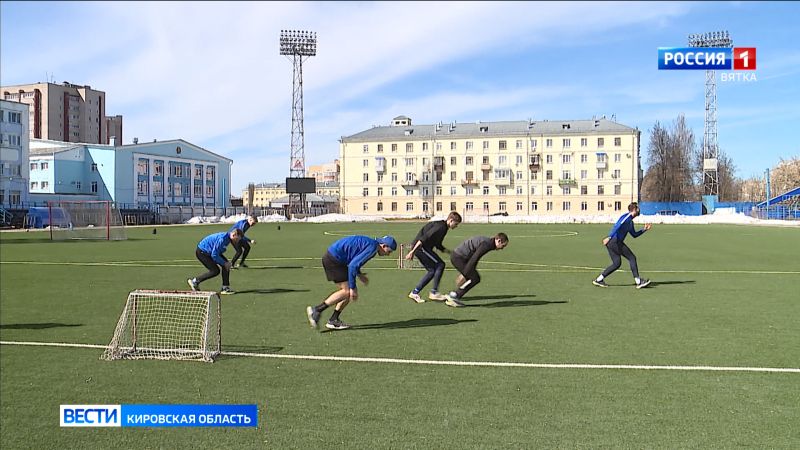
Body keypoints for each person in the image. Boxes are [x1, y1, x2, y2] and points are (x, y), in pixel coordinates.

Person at [306, 235, 397, 331]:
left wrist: (360, 275)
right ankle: (316, 310)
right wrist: (352, 288)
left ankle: (333, 319)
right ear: (383, 246)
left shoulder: (371, 244)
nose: (389, 254)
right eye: (389, 251)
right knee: (347, 291)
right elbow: (353, 266)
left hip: (336, 259)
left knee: (348, 291)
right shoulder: (372, 248)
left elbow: (353, 259)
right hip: (334, 260)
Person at [404, 211, 462, 303]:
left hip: (424, 248)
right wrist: (412, 252)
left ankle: (415, 293)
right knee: (440, 265)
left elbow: (438, 244)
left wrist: (450, 252)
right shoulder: (440, 227)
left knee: (432, 271)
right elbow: (423, 238)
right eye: (456, 224)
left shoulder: (444, 228)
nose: (456, 226)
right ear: (451, 220)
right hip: (421, 247)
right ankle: (434, 293)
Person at [593, 202, 652, 289]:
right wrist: (609, 237)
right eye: (637, 209)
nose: (639, 210)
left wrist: (644, 230)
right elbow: (617, 226)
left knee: (617, 263)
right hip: (614, 241)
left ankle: (598, 280)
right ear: (634, 210)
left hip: (613, 242)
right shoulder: (627, 217)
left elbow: (634, 235)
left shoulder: (630, 223)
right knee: (632, 258)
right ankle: (638, 282)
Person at [445, 233, 510, 307]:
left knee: (473, 277)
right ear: (498, 240)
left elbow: (474, 257)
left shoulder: (489, 242)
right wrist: (465, 274)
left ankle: (454, 294)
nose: (502, 248)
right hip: (458, 258)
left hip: (459, 256)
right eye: (503, 246)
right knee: (475, 278)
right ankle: (454, 296)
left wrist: (466, 274)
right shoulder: (487, 244)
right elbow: (474, 258)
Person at [187, 228, 243, 294]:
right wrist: (224, 263)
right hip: (202, 253)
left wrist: (225, 263)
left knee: (226, 265)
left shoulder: (228, 238)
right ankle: (194, 281)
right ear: (233, 235)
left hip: (210, 252)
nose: (237, 241)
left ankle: (225, 288)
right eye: (237, 239)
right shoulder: (222, 239)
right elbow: (214, 255)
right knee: (215, 271)